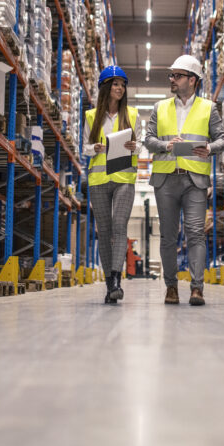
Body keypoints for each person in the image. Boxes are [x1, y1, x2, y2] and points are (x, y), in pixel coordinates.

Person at [144, 55, 224, 306]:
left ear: (192, 80)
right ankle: (171, 287)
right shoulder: (160, 108)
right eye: (171, 75)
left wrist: (210, 149)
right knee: (169, 236)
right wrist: (166, 145)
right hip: (165, 179)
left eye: (177, 75)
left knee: (195, 234)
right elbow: (147, 140)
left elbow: (223, 140)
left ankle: (197, 288)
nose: (172, 79)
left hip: (195, 181)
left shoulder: (208, 108)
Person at [85, 65, 140, 304]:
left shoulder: (134, 114)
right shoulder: (91, 116)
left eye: (123, 84)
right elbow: (85, 148)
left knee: (119, 226)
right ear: (105, 87)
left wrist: (134, 147)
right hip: (98, 180)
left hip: (124, 178)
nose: (120, 88)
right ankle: (109, 285)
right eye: (115, 84)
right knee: (104, 232)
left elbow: (139, 145)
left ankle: (117, 280)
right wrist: (94, 148)